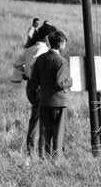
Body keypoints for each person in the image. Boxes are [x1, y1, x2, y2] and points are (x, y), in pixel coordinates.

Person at [28, 29, 73, 158]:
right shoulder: (61, 61)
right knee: (58, 131)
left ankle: (45, 156)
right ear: (61, 43)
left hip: (44, 101)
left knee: (45, 131)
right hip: (59, 101)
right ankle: (57, 158)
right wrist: (70, 81)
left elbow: (34, 80)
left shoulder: (40, 59)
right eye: (64, 42)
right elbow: (60, 82)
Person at [21, 23, 56, 155]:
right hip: (38, 86)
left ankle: (36, 150)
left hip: (30, 85)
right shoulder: (43, 49)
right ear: (47, 37)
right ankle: (32, 151)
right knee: (37, 119)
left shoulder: (32, 48)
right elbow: (32, 64)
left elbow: (20, 64)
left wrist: (27, 74)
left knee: (37, 117)